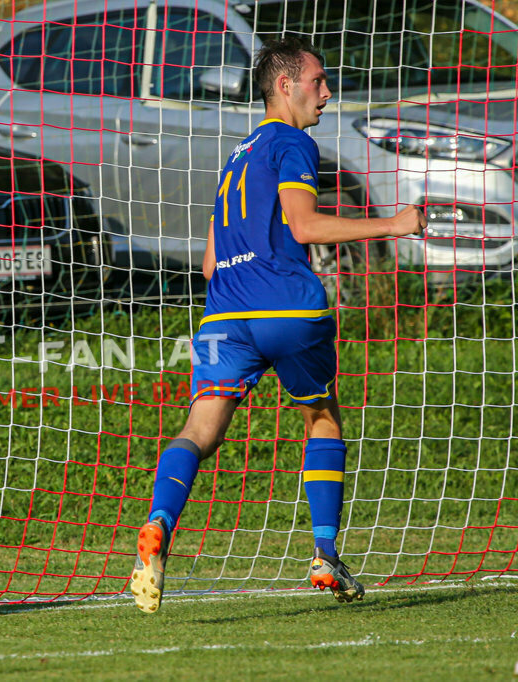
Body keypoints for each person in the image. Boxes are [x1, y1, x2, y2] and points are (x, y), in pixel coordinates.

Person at [130, 36, 427, 613]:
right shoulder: (292, 143)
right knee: (321, 415)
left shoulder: (235, 158)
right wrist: (393, 224)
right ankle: (324, 554)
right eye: (318, 81)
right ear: (286, 86)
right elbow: (305, 225)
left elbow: (212, 260)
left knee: (197, 432)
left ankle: (159, 524)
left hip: (223, 314)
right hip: (286, 309)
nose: (327, 91)